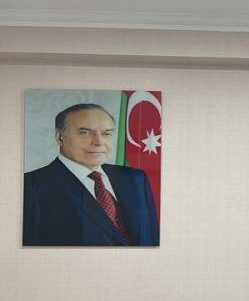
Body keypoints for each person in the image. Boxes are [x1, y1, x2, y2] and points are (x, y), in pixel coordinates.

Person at [23, 103, 159, 246]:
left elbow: (152, 238)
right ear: (59, 137)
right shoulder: (30, 186)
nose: (99, 142)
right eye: (84, 132)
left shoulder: (135, 178)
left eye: (106, 133)